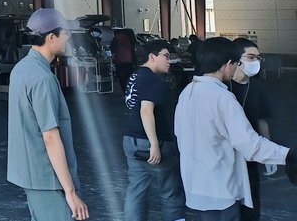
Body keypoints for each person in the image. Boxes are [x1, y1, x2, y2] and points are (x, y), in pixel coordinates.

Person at [175, 37, 296, 221]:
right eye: (236, 64)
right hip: (220, 191)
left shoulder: (188, 92)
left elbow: (179, 133)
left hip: (194, 188)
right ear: (228, 64)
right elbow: (250, 144)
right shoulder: (223, 98)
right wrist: (287, 155)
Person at [7, 8, 89, 221]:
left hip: (32, 174)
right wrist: (70, 192)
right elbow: (50, 137)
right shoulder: (43, 78)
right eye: (65, 33)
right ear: (51, 37)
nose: (68, 37)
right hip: (48, 178)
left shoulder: (21, 69)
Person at [122, 39, 185, 221]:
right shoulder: (153, 79)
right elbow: (146, 110)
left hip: (131, 140)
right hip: (150, 141)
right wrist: (154, 144)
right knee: (170, 191)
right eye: (166, 56)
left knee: (136, 189)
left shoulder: (135, 76)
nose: (169, 61)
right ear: (152, 57)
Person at [229, 38, 273, 221]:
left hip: (250, 153)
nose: (256, 61)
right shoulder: (223, 86)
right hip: (226, 153)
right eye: (251, 57)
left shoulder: (258, 87)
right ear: (237, 59)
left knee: (251, 202)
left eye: (258, 58)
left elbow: (262, 119)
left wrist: (267, 150)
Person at [111, 29, 137, 94]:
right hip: (129, 60)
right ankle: (131, 90)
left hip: (120, 60)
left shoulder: (117, 38)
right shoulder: (129, 38)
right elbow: (133, 49)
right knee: (129, 76)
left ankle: (125, 91)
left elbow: (113, 48)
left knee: (122, 78)